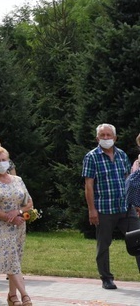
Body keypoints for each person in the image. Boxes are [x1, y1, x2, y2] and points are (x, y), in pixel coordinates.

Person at [82, 123, 140, 290]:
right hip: (104, 209)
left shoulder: (122, 155)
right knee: (103, 245)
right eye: (102, 135)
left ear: (115, 138)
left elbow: (130, 181)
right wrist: (92, 210)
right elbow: (89, 185)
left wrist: (136, 203)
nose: (106, 138)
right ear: (97, 138)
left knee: (138, 241)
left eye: (109, 135)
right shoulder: (91, 157)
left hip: (126, 207)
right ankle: (106, 278)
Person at [0, 146, 33, 306]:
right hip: (0, 226)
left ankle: (12, 296)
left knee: (15, 259)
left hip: (18, 225)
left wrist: (18, 212)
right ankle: (25, 296)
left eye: (4, 160)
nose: (2, 163)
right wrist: (8, 217)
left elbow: (29, 202)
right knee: (11, 259)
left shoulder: (17, 180)